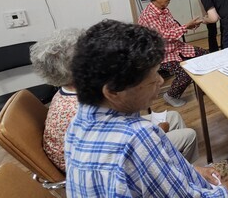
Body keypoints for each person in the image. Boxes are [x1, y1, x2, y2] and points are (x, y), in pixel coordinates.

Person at [65, 20, 228, 198]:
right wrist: (224, 192)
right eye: (153, 76)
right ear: (113, 91)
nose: (161, 81)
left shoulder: (78, 122)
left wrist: (194, 170)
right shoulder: (137, 137)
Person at [31, 28, 200, 170]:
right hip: (107, 166)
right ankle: (178, 177)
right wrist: (159, 129)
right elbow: (127, 145)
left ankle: (180, 169)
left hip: (96, 152)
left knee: (173, 117)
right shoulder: (88, 108)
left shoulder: (67, 91)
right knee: (188, 135)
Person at [138, 0, 205, 108]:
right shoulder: (149, 15)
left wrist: (189, 27)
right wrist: (186, 26)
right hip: (161, 54)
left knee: (206, 56)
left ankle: (204, 87)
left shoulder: (164, 9)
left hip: (175, 47)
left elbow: (173, 28)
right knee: (185, 73)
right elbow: (163, 36)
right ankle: (171, 95)